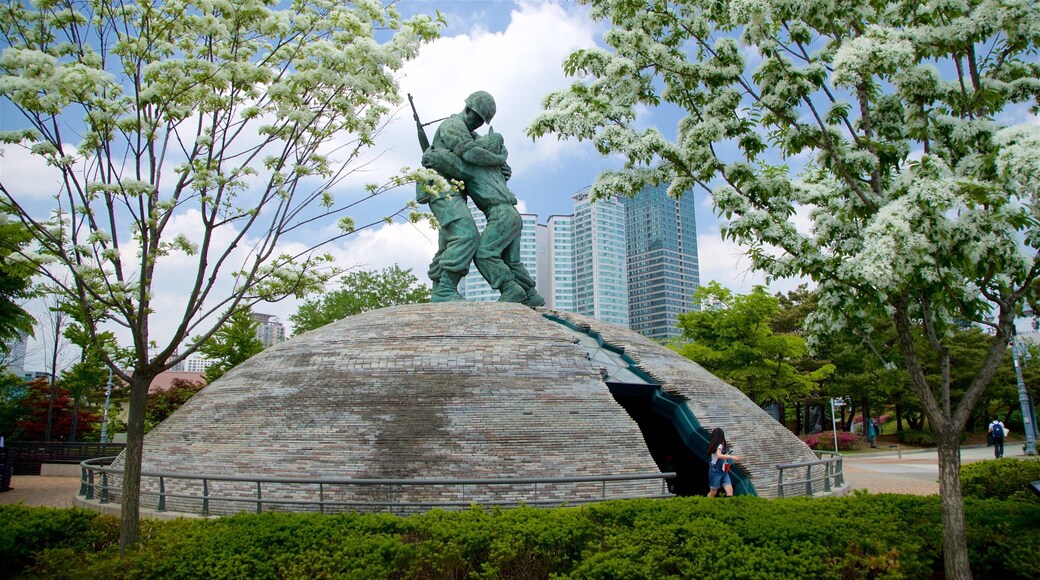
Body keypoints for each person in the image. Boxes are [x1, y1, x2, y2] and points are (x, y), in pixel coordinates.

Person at [422, 91, 545, 306]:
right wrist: (497, 160)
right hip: (442, 189)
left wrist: (501, 165)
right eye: (477, 118)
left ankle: (444, 289)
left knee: (455, 243)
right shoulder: (452, 126)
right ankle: (445, 290)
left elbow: (484, 154)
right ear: (468, 109)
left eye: (482, 122)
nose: (478, 125)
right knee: (467, 237)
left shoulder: (473, 136)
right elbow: (468, 157)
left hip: (461, 193)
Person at [706, 427, 741, 497]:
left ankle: (728, 505)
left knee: (730, 491)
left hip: (723, 471)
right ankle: (705, 504)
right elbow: (719, 456)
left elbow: (718, 456)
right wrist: (732, 457)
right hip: (716, 471)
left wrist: (726, 455)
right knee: (713, 492)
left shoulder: (715, 445)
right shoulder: (719, 445)